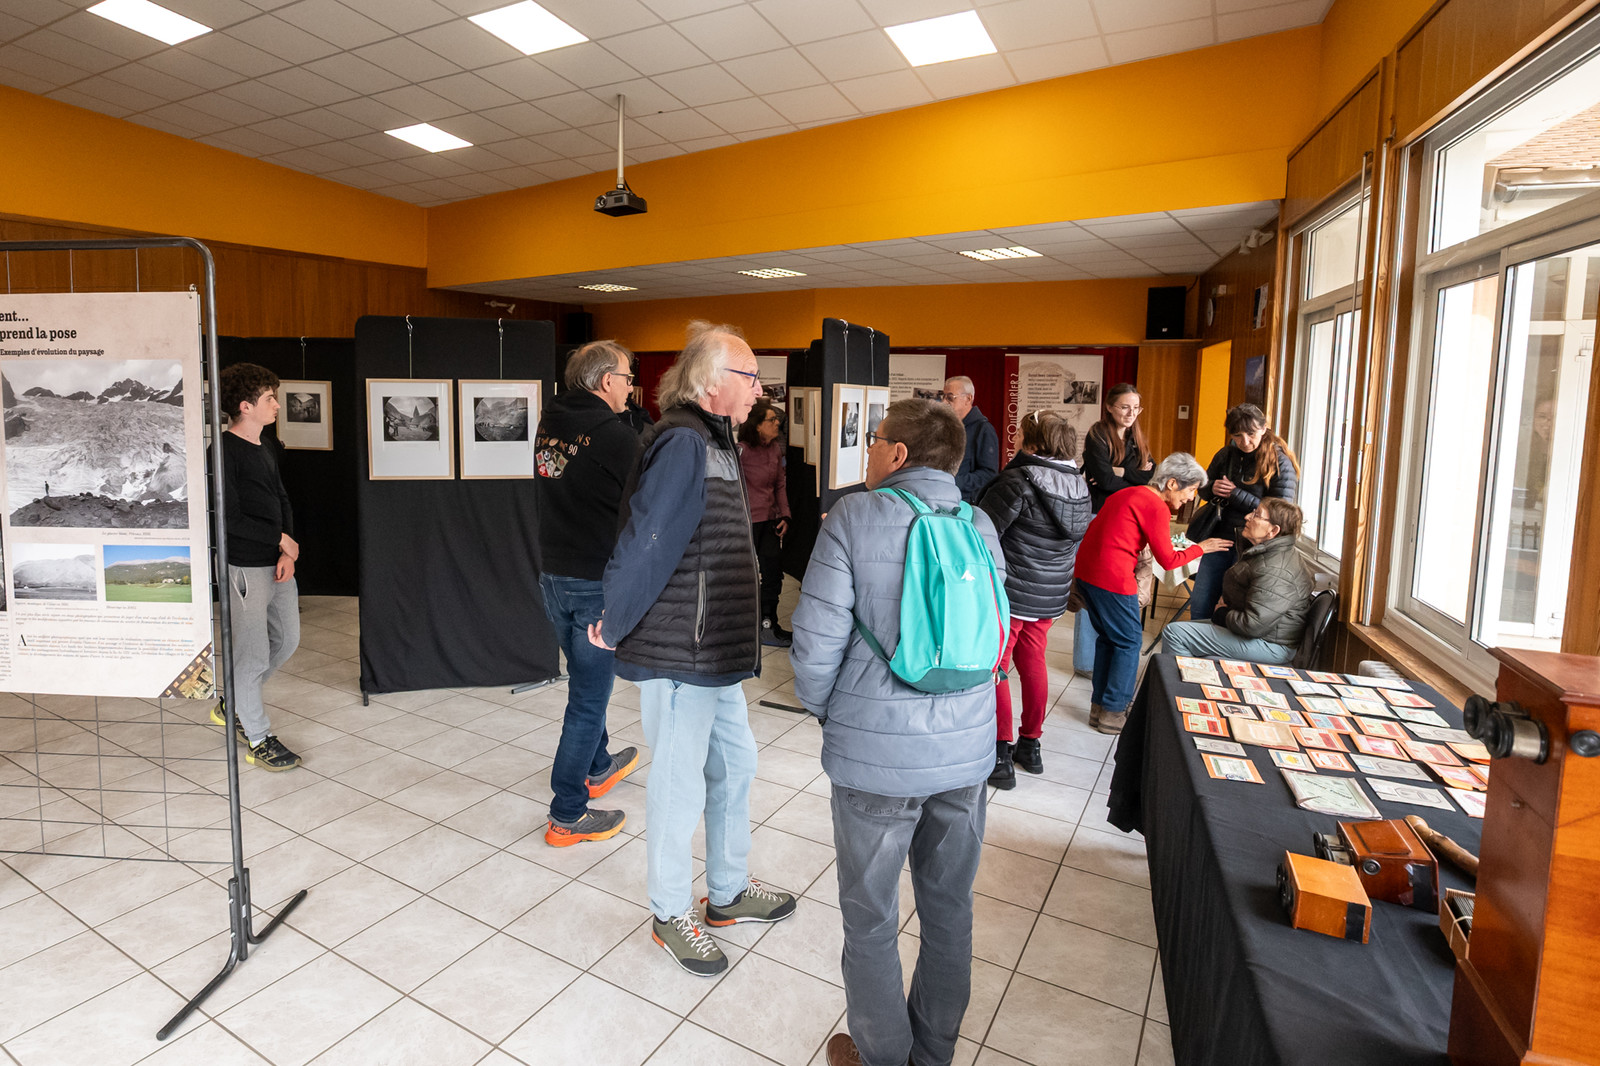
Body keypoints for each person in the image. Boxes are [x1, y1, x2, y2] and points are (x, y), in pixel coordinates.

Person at [789, 398, 1003, 1066]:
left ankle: (883, 1057)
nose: (870, 451)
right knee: (949, 911)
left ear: (900, 455)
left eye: (875, 441)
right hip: (966, 755)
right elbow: (995, 637)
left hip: (874, 761)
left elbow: (814, 646)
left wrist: (834, 713)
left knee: (872, 916)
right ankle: (932, 1056)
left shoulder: (854, 516)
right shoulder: (980, 524)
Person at [591, 321, 797, 977]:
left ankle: (728, 892)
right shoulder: (683, 442)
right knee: (679, 788)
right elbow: (649, 540)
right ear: (714, 383)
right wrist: (614, 619)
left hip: (714, 652)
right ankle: (669, 911)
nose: (761, 388)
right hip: (683, 650)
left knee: (736, 765)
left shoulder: (715, 439)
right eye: (751, 376)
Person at [533, 339, 642, 847]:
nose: (630, 387)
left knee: (584, 682)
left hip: (553, 577)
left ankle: (597, 766)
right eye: (625, 378)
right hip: (595, 582)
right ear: (604, 382)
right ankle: (567, 814)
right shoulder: (615, 437)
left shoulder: (550, 420)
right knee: (587, 700)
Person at [1074, 453, 1233, 735]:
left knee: (1110, 640)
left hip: (1087, 575)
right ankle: (1113, 713)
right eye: (1190, 490)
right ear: (1171, 483)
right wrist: (1202, 548)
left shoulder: (1127, 493)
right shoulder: (1155, 506)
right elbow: (1169, 560)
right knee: (1128, 643)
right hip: (1111, 578)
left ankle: (1100, 708)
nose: (1190, 498)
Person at [976, 411, 1090, 788]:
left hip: (1011, 593)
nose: (1015, 439)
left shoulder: (1017, 481)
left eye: (1021, 434)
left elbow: (985, 534)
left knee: (998, 667)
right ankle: (1031, 743)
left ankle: (1001, 751)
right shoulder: (1079, 485)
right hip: (1049, 595)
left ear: (1035, 443)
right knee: (1033, 662)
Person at [212, 363, 302, 771]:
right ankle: (259, 737)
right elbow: (228, 519)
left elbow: (281, 498)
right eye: (270, 399)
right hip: (244, 567)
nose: (277, 405)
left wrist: (287, 549)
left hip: (276, 562)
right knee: (251, 657)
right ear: (246, 406)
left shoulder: (265, 445)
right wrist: (276, 540)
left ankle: (233, 700)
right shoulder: (223, 451)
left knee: (286, 642)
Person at [1161, 499, 1315, 664]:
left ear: (1273, 530)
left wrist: (1223, 613)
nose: (1247, 516)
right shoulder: (1268, 554)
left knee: (1175, 633)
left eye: (1256, 515)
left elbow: (1254, 624)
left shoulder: (1276, 568)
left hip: (1271, 645)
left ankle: (1182, 687)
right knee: (1186, 630)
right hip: (1262, 635)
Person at [1074, 383, 1155, 678]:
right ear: (1109, 407)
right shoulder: (1098, 435)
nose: (1131, 413)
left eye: (1136, 408)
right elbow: (1105, 481)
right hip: (1099, 516)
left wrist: (1122, 473)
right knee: (1093, 586)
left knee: (1119, 585)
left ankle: (1109, 647)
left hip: (1128, 521)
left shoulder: (1137, 438)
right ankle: (1085, 661)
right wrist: (1132, 478)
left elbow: (1149, 475)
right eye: (1125, 407)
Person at [1190, 403, 1300, 621]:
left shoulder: (1280, 463)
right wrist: (1211, 488)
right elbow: (1202, 486)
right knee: (1201, 604)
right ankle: (1194, 651)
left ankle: (1218, 652)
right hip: (1220, 537)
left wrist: (1235, 494)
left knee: (1231, 608)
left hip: (1254, 547)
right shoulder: (1226, 454)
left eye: (1250, 434)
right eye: (1237, 435)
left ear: (1264, 427)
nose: (1245, 442)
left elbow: (1280, 514)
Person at [737, 397, 792, 648]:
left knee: (772, 573)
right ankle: (741, 626)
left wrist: (785, 515)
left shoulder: (775, 449)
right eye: (771, 420)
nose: (777, 423)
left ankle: (768, 623)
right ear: (757, 425)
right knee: (744, 576)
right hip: (745, 522)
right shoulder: (741, 451)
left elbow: (780, 484)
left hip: (770, 521)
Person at [943, 375, 999, 502]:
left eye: (950, 397)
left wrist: (953, 481)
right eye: (944, 396)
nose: (944, 402)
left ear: (968, 399)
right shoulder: (944, 426)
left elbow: (988, 475)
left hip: (966, 504)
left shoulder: (983, 430)